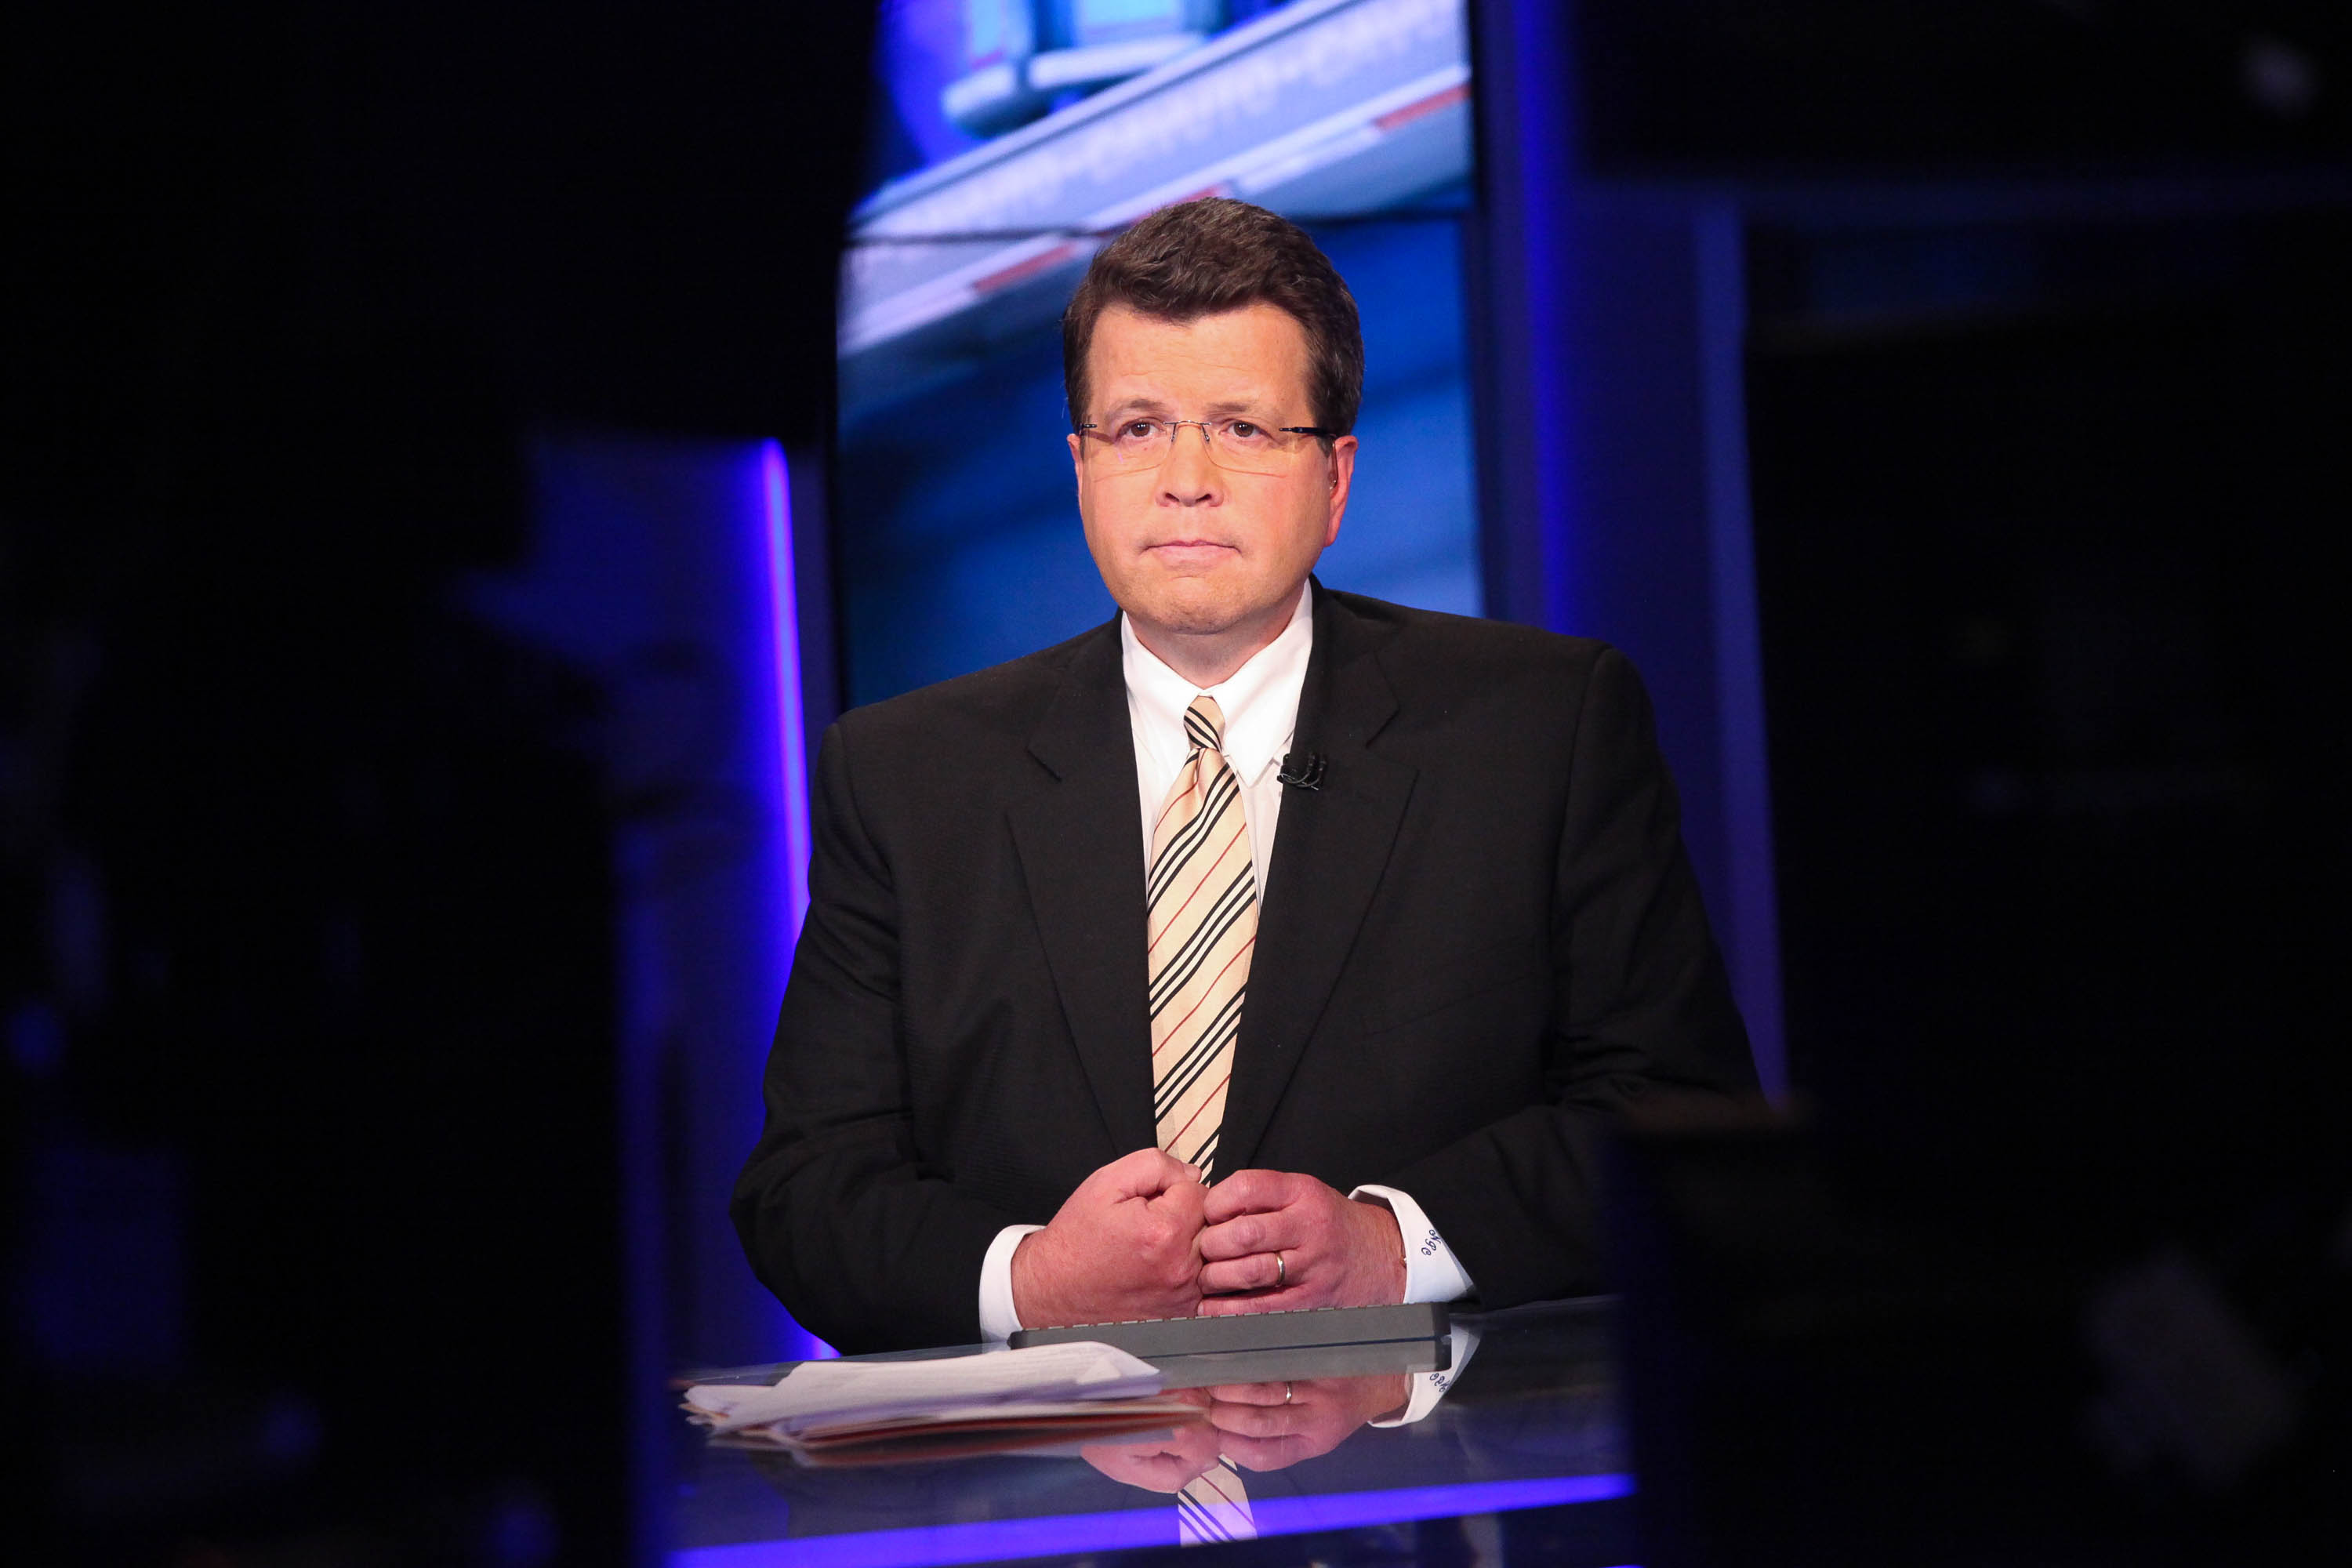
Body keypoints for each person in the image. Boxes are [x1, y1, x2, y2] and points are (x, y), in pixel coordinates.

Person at [732, 198, 1756, 1354]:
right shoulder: (908, 778)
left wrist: (1397, 1246)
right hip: (1051, 1508)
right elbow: (804, 1194)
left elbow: (1681, 1116)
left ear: (1337, 481)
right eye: (1136, 429)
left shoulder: (1543, 728)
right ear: (1079, 469)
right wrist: (1037, 1281)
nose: (1186, 479)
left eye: (1244, 428)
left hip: (1435, 1484)